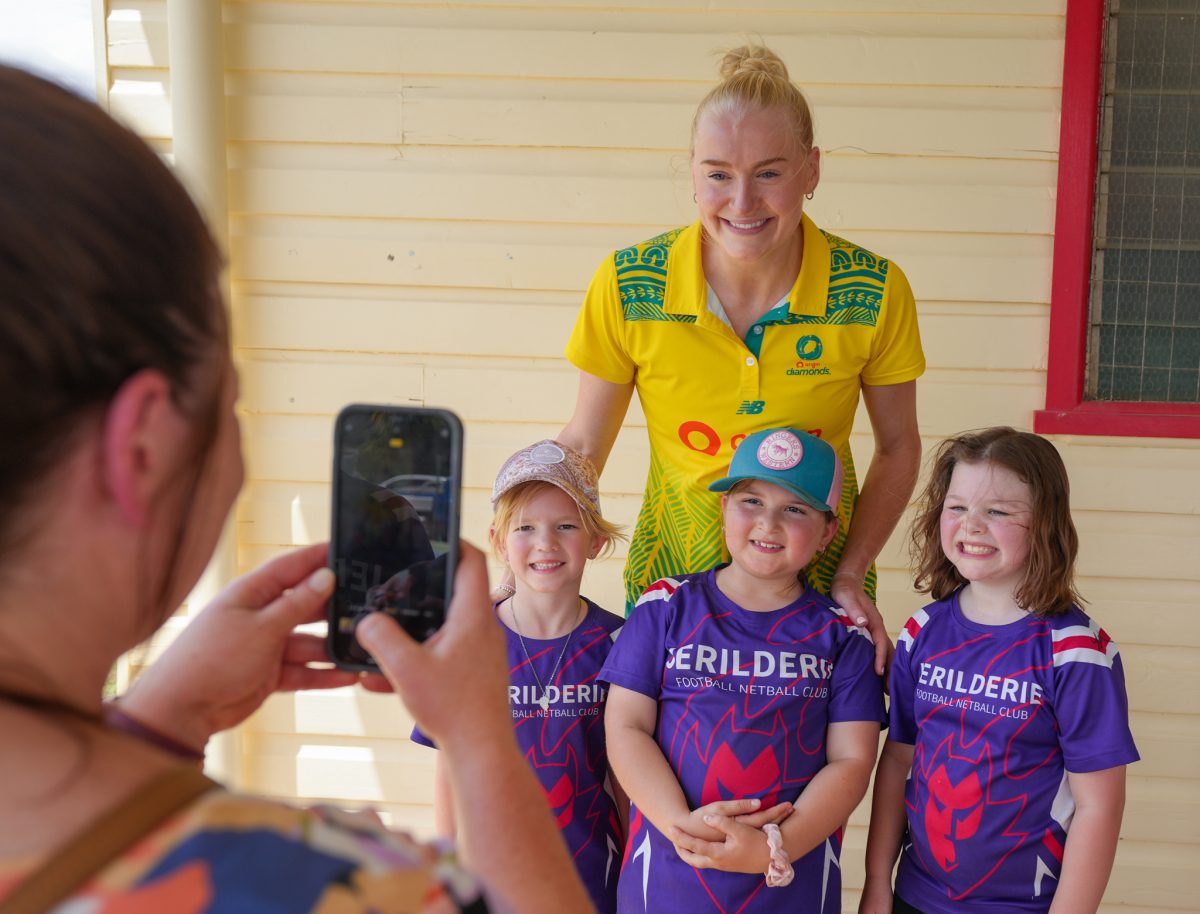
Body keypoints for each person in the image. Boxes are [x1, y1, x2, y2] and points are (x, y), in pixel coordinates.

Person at [0, 65, 595, 914]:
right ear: (141, 448)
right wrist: (481, 745)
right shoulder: (326, 883)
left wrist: (154, 726)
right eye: (229, 401)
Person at [559, 43, 925, 672]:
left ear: (812, 170)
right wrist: (527, 546)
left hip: (817, 576)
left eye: (770, 172)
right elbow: (585, 444)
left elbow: (898, 447)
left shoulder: (873, 291)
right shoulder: (628, 283)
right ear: (693, 173)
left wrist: (854, 571)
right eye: (719, 173)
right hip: (674, 574)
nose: (742, 201)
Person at [602, 427, 884, 913]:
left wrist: (774, 848)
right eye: (750, 500)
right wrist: (680, 825)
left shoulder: (843, 636)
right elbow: (626, 726)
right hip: (670, 874)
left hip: (786, 882)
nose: (768, 523)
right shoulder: (665, 605)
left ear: (827, 532)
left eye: (795, 508)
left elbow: (852, 762)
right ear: (723, 509)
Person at [859, 428, 1139, 914]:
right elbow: (898, 763)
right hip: (916, 896)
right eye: (957, 507)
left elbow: (1098, 807)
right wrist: (877, 883)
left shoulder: (1076, 653)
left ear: (1045, 524)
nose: (971, 526)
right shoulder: (922, 632)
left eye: (998, 511)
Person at [414, 440, 628, 914]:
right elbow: (450, 765)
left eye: (566, 526)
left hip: (591, 876)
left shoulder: (620, 643)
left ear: (595, 541)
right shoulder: (469, 641)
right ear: (498, 540)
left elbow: (625, 775)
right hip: (490, 876)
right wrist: (449, 871)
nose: (545, 543)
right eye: (525, 527)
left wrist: (635, 869)